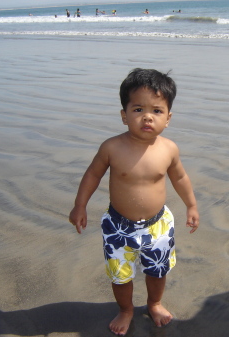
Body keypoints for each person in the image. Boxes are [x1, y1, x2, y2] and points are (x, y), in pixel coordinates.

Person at [69, 68, 199, 336]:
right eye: (138, 109)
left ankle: (154, 303)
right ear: (124, 115)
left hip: (158, 226)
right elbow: (92, 174)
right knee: (121, 274)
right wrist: (80, 205)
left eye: (157, 111)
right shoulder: (112, 147)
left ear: (168, 118)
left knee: (157, 271)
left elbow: (181, 178)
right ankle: (126, 309)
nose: (147, 117)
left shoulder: (169, 149)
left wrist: (191, 205)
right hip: (118, 226)